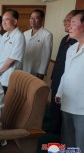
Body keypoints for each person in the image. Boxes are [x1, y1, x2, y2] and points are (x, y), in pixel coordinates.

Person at [55, 10, 84, 151]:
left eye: (73, 23)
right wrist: (60, 92)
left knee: (81, 142)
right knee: (67, 140)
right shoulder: (71, 48)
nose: (69, 26)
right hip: (67, 101)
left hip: (82, 107)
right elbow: (66, 73)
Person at [49, 10, 77, 136]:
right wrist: (52, 77)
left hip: (69, 84)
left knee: (64, 114)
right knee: (54, 108)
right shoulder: (64, 39)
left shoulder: (77, 42)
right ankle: (52, 131)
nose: (66, 23)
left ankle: (58, 136)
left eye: (69, 20)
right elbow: (59, 60)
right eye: (65, 20)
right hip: (57, 79)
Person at [0, 9, 26, 93]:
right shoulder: (4, 35)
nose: (3, 22)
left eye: (6, 20)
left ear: (15, 21)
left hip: (8, 77)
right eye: (3, 20)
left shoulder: (19, 36)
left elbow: (12, 59)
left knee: (7, 103)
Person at [23, 9, 53, 80]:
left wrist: (42, 72)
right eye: (31, 18)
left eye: (36, 18)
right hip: (24, 66)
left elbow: (46, 54)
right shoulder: (25, 33)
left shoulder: (47, 34)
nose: (32, 20)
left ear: (42, 20)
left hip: (36, 69)